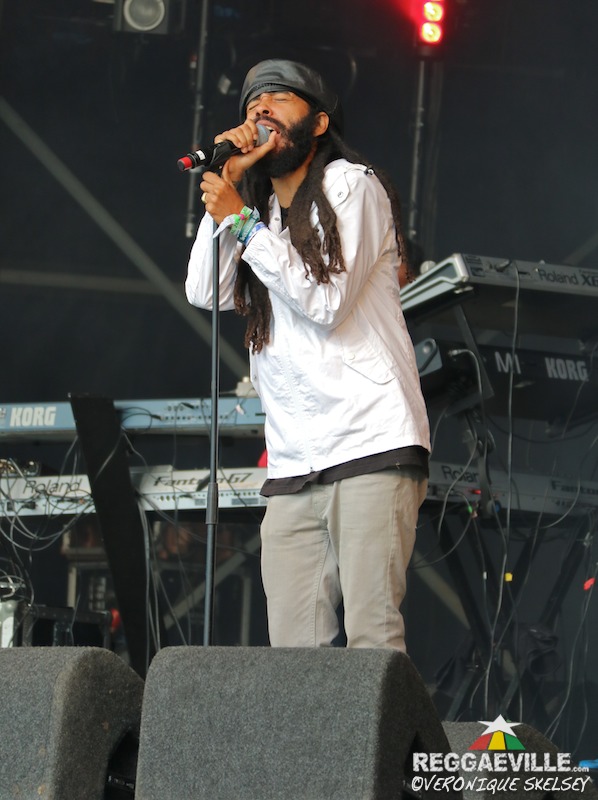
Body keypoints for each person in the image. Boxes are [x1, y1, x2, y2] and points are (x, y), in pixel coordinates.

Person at [185, 59, 430, 652]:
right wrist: (232, 189)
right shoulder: (259, 213)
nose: (260, 109)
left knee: (372, 642)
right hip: (295, 460)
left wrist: (240, 222)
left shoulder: (353, 186)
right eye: (251, 105)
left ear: (318, 123)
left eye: (277, 99)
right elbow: (204, 291)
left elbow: (325, 300)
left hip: (371, 443)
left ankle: (386, 749)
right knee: (295, 663)